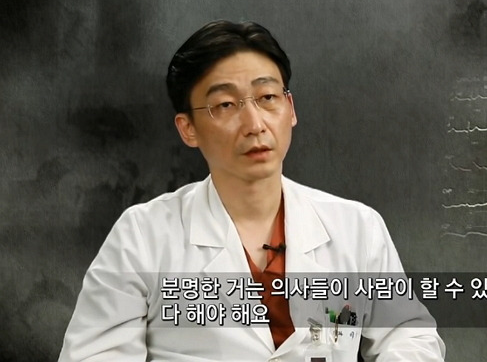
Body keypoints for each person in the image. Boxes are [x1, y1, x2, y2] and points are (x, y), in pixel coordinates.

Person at [59, 20, 445, 361]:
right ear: (187, 128)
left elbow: (409, 337)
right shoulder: (142, 237)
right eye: (226, 104)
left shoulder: (356, 228)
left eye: (268, 98)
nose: (255, 124)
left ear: (290, 109)